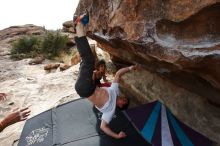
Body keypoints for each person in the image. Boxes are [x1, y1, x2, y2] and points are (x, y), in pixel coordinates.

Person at [74, 11, 137, 139]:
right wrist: (130, 68)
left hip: (86, 89)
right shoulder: (114, 91)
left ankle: (78, 25)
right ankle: (78, 28)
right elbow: (118, 74)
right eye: (124, 98)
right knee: (86, 60)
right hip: (87, 85)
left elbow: (103, 127)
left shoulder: (110, 111)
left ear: (121, 105)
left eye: (124, 100)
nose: (123, 98)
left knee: (88, 60)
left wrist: (117, 136)